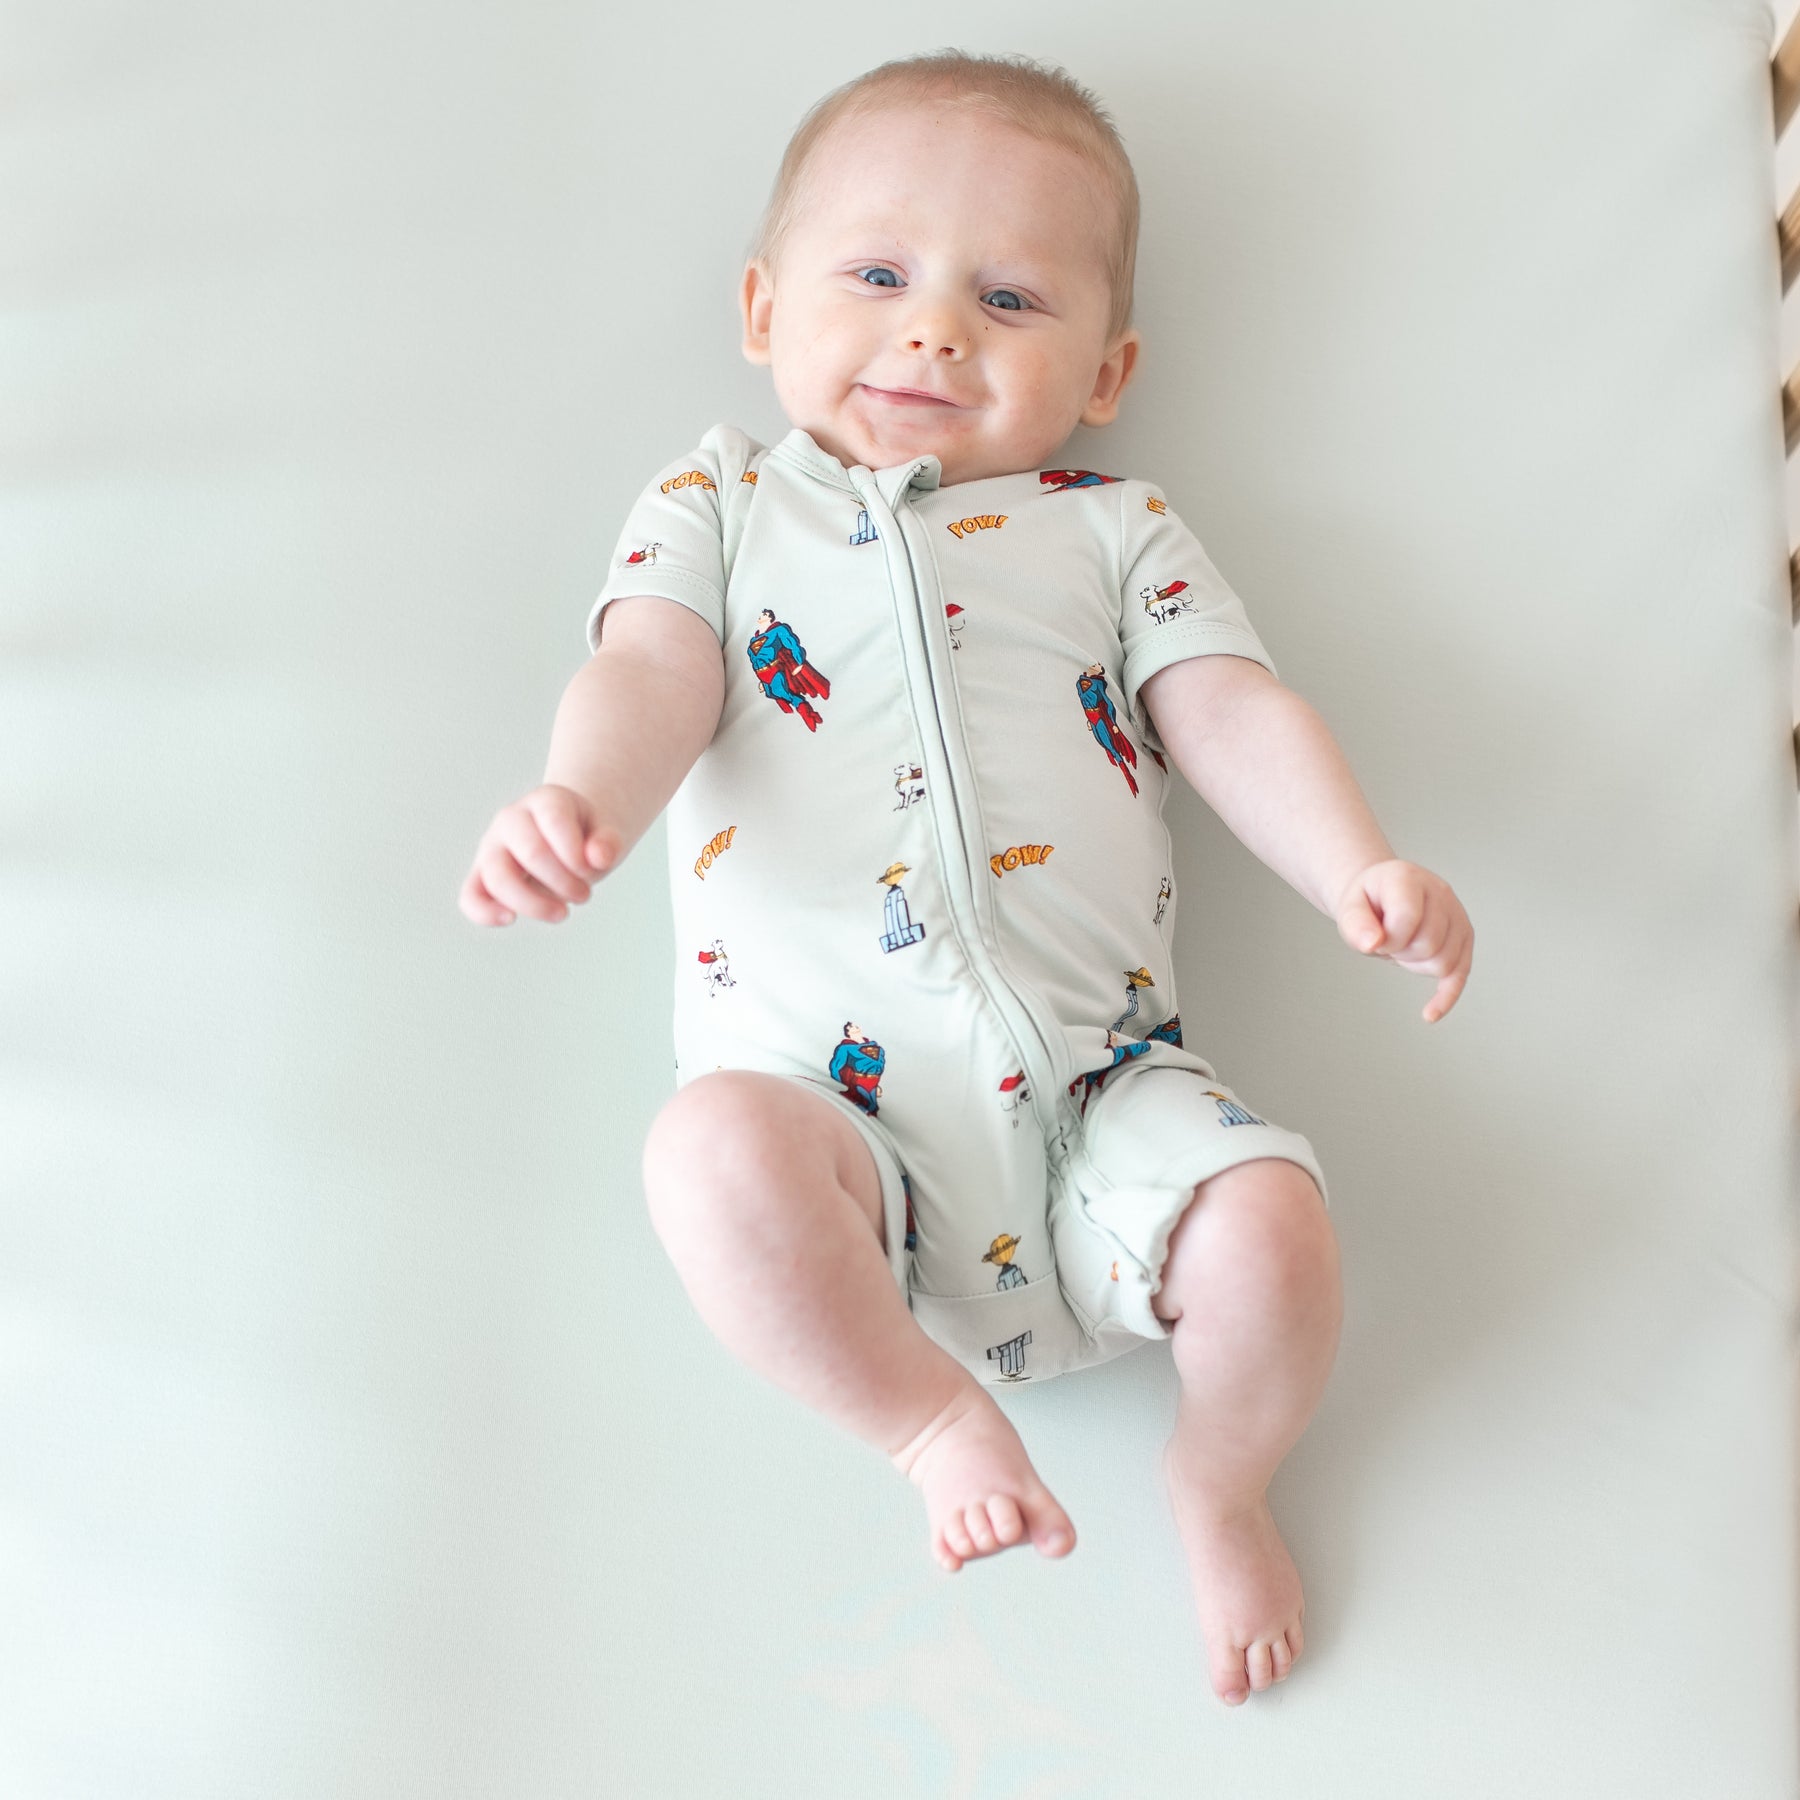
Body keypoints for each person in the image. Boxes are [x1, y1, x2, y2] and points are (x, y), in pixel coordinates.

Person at [459, 49, 1474, 1709]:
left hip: (1108, 1095)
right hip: (826, 1116)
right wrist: (581, 799)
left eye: (1009, 296)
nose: (935, 327)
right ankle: (927, 1419)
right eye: (876, 277)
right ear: (760, 305)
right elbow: (649, 671)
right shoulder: (722, 501)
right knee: (704, 1156)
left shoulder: (1114, 528)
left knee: (1278, 1232)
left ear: (1107, 365)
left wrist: (1357, 862)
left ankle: (1219, 1474)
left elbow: (1231, 710)